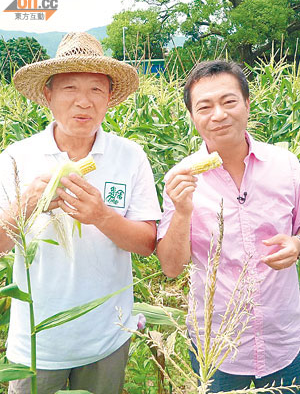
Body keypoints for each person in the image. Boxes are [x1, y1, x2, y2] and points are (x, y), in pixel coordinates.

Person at [0, 32, 161, 394]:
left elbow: (148, 243)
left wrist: (102, 216)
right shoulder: (15, 158)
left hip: (106, 340)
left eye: (96, 91)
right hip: (37, 344)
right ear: (48, 95)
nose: (82, 103)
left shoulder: (129, 156)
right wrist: (28, 202)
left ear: (109, 100)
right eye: (70, 88)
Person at [156, 60, 300, 392]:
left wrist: (296, 245)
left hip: (285, 340)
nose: (218, 114)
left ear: (247, 104)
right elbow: (171, 266)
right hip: (218, 346)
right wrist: (181, 211)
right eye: (204, 107)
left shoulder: (286, 166)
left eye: (229, 101)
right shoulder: (181, 178)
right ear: (192, 117)